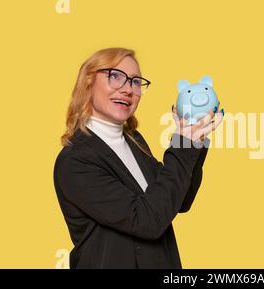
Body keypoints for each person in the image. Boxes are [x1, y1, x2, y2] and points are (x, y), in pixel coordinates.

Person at [53, 47, 224, 268]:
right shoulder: (75, 161)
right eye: (115, 76)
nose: (128, 89)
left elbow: (178, 201)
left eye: (135, 81)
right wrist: (182, 145)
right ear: (87, 83)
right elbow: (146, 221)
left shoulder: (134, 141)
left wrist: (192, 140)